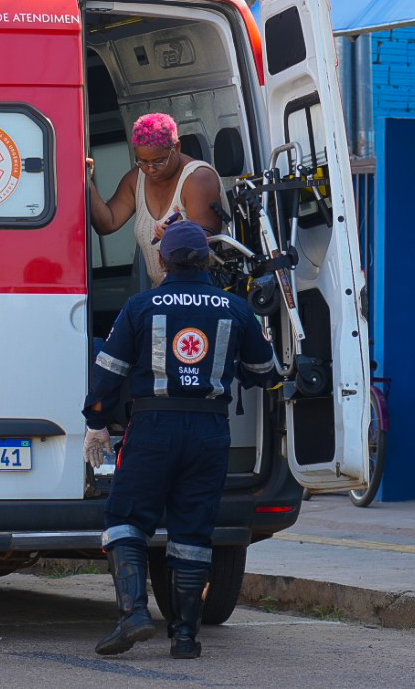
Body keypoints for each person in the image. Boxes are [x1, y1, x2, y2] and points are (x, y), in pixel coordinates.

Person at [82, 220, 278, 659]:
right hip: (210, 433)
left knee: (125, 518)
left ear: (162, 259)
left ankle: (133, 614)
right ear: (207, 259)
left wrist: (96, 421)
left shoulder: (140, 306)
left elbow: (109, 370)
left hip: (153, 428)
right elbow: (265, 372)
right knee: (192, 530)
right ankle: (186, 637)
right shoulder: (235, 308)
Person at [87, 112, 222, 283]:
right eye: (142, 161)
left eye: (159, 161)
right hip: (163, 290)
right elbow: (107, 223)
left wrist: (175, 235)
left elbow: (207, 242)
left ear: (177, 147)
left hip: (200, 290)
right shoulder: (136, 179)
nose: (150, 169)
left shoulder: (198, 178)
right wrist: (87, 182)